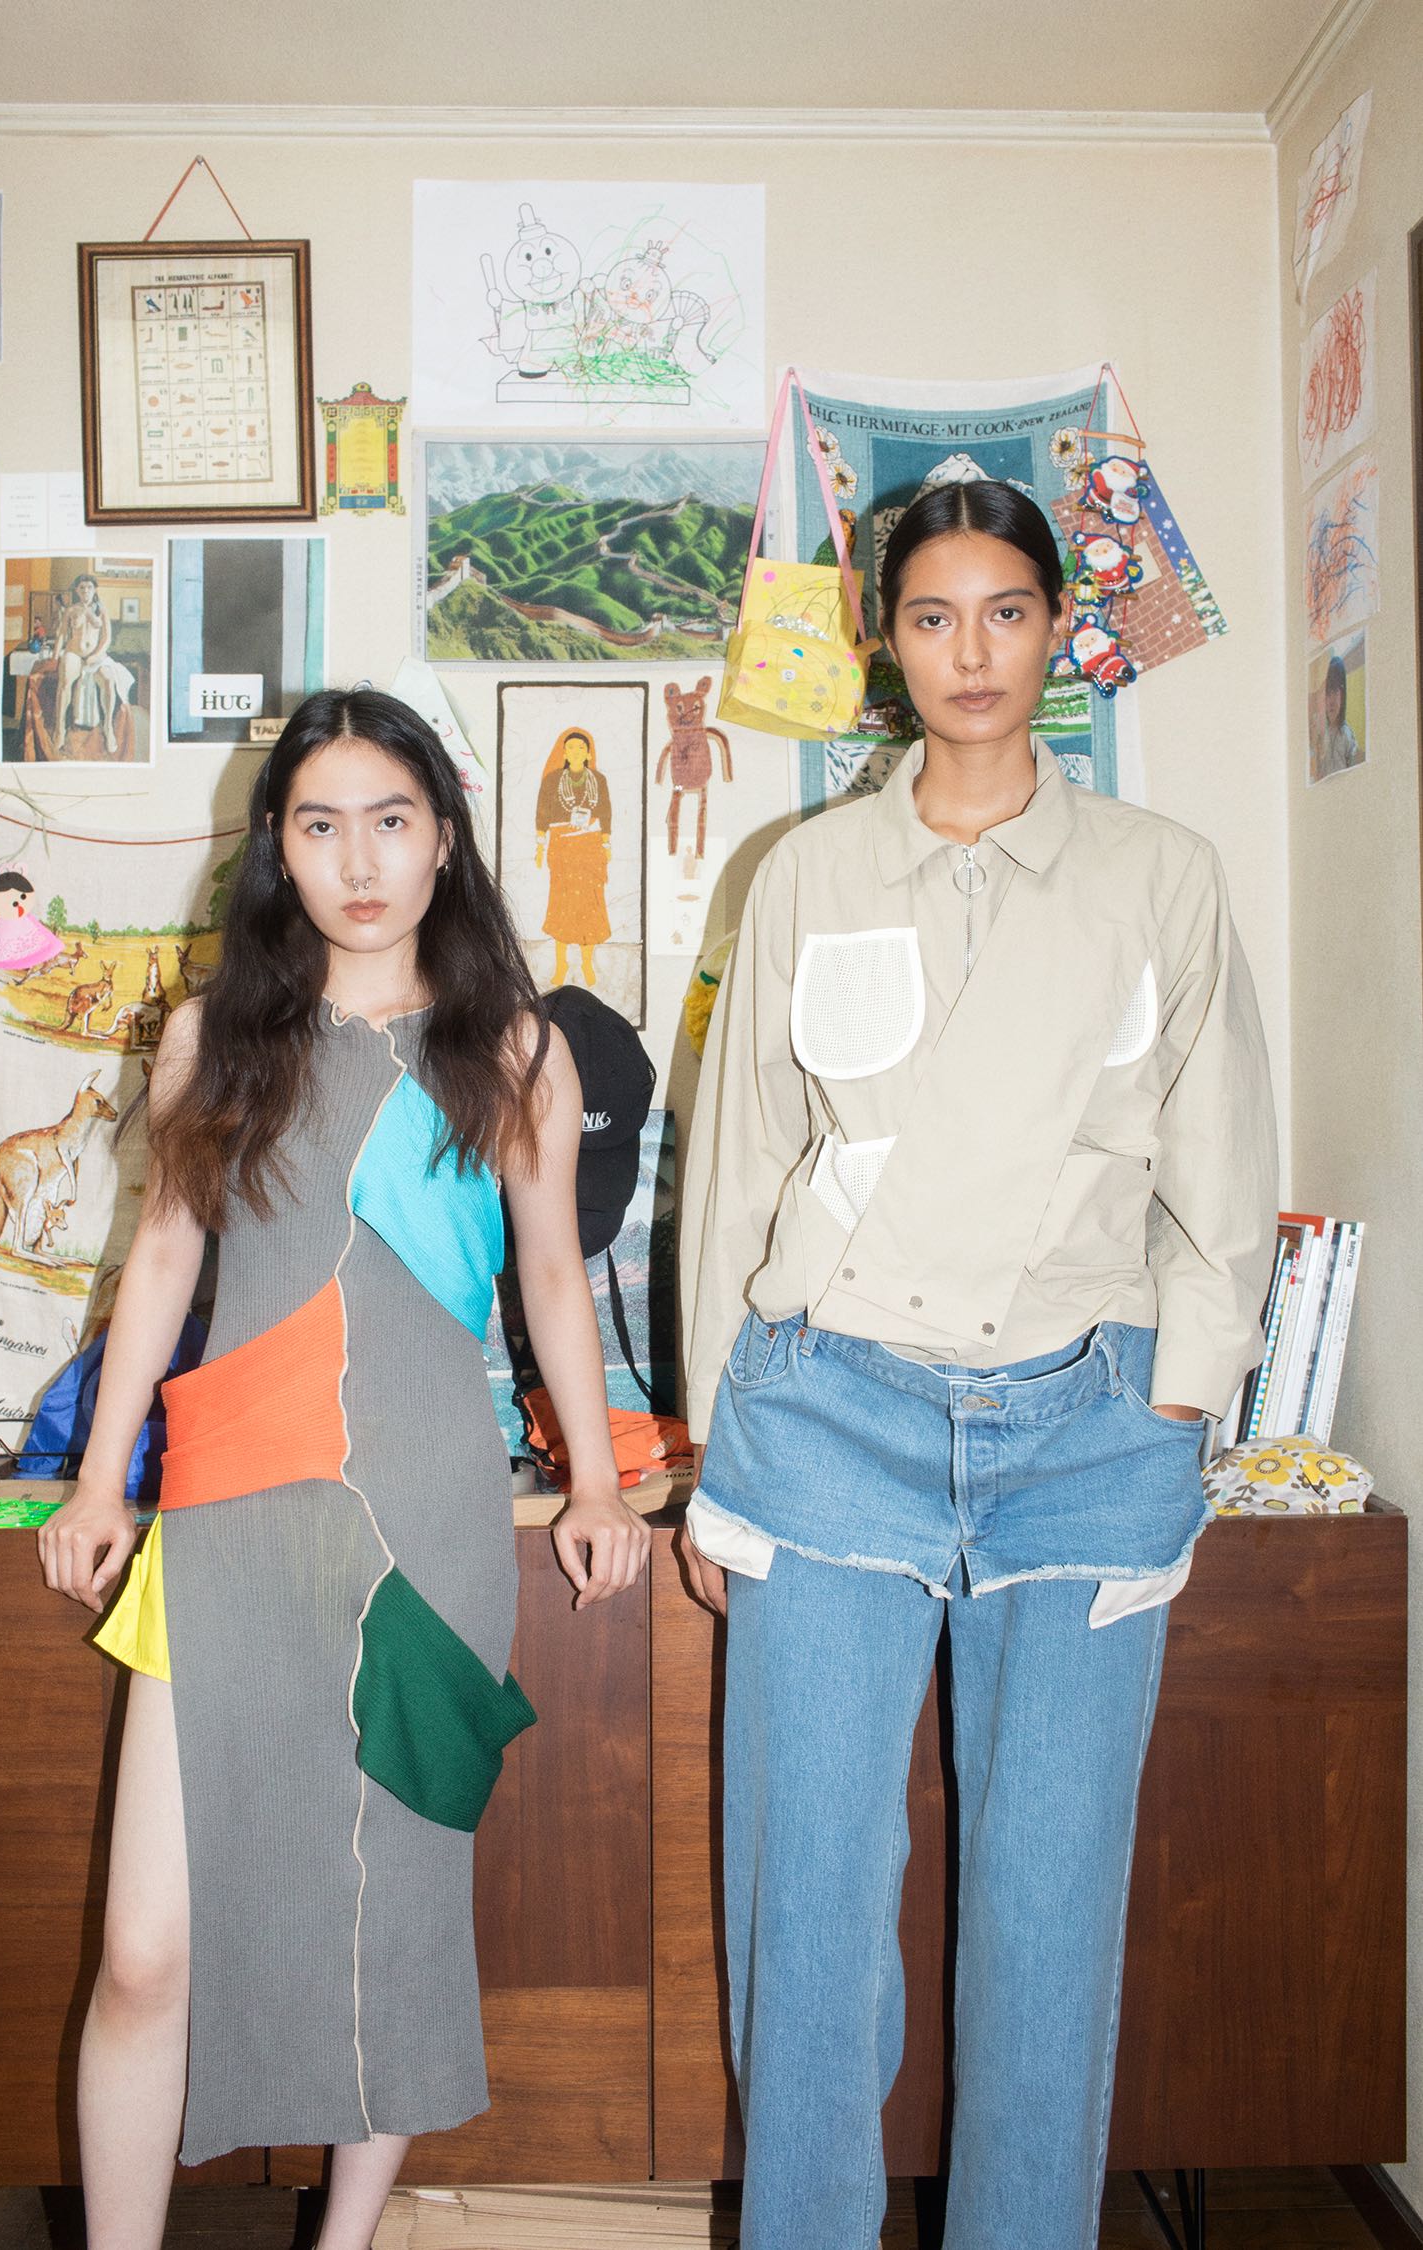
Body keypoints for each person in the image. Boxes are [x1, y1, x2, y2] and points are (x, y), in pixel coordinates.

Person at [678, 479, 1277, 2250]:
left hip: (1085, 1428)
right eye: (933, 617)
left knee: (1047, 1914)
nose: (971, 653)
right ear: (886, 643)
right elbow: (739, 1167)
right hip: (827, 1419)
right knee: (806, 1910)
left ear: (1058, 628)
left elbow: (1222, 1163)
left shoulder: (1162, 875)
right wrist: (720, 1451)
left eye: (1006, 611)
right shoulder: (804, 873)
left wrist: (1180, 1400)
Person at [38, 688, 649, 2250]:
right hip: (227, 1514)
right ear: (277, 846)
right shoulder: (210, 1039)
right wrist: (100, 1478)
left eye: (391, 821)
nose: (359, 861)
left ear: (444, 838)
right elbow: (162, 1260)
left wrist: (593, 1481)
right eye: (321, 825)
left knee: (390, 1918)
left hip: (426, 1521)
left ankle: (346, 2239)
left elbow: (554, 1279)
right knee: (145, 1948)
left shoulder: (516, 1047)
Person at [534, 725, 612, 988]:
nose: (576, 751)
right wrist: (540, 845)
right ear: (564, 753)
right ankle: (562, 964)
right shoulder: (553, 780)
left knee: (590, 905)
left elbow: (605, 811)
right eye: (571, 747)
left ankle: (587, 962)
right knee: (562, 905)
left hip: (589, 846)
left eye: (581, 747)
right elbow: (542, 812)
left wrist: (606, 843)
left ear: (588, 752)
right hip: (562, 848)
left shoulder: (598, 780)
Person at [51, 572, 135, 758]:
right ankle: (59, 729)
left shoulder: (101, 610)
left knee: (108, 680)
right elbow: (62, 634)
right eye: (82, 588)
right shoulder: (71, 610)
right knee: (65, 683)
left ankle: (108, 728)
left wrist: (96, 656)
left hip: (96, 657)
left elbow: (107, 638)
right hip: (74, 653)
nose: (86, 591)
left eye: (89, 587)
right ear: (77, 590)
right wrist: (55, 655)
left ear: (94, 589)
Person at [0, 868, 64, 973]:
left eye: (22, 896)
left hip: (18, 923)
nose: (17, 903)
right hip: (1, 925)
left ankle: (26, 964)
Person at [1312, 651, 1361, 781]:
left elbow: (1353, 775)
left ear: (1343, 695)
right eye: (1328, 694)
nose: (1331, 701)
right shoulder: (1321, 732)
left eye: (1335, 692)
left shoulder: (1347, 735)